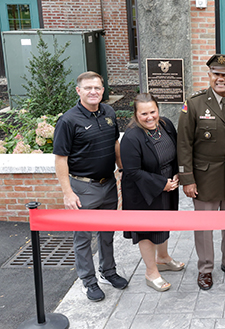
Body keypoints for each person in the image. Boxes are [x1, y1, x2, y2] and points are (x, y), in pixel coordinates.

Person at [177, 54, 225, 291]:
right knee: (205, 226)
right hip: (204, 175)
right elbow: (184, 144)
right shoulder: (195, 103)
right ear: (209, 75)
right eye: (216, 74)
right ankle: (205, 268)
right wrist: (187, 179)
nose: (221, 79)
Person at [53, 71, 128, 302]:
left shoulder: (109, 112)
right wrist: (68, 192)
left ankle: (108, 272)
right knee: (83, 237)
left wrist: (122, 170)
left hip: (108, 185)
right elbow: (60, 159)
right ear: (78, 91)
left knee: (107, 233)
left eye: (97, 88)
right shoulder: (68, 120)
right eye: (88, 88)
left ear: (103, 90)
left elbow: (115, 142)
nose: (93, 92)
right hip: (82, 188)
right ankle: (88, 281)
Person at [121, 93, 184, 292]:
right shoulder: (132, 136)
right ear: (136, 114)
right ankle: (151, 271)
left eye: (153, 111)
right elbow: (132, 171)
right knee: (147, 231)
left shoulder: (165, 125)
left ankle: (163, 259)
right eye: (144, 113)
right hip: (142, 191)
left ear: (158, 110)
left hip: (166, 184)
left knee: (164, 223)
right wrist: (160, 184)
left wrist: (176, 174)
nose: (150, 117)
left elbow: (175, 153)